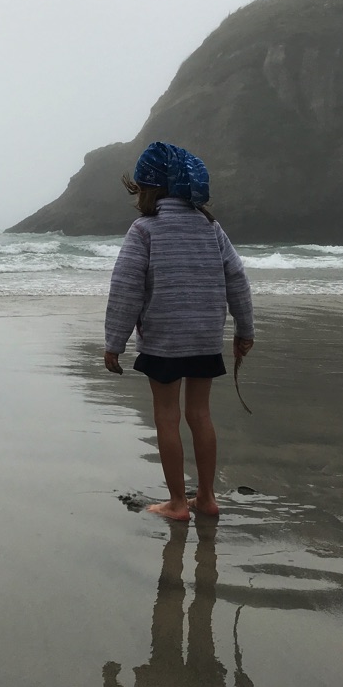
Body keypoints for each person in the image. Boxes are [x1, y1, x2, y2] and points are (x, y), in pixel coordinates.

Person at [104, 142, 254, 522]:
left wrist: (114, 343)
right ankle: (206, 498)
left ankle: (176, 503)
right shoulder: (210, 228)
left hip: (164, 341)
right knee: (200, 415)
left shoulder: (145, 230)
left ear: (149, 189)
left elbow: (126, 289)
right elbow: (237, 278)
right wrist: (245, 330)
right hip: (205, 338)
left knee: (167, 417)